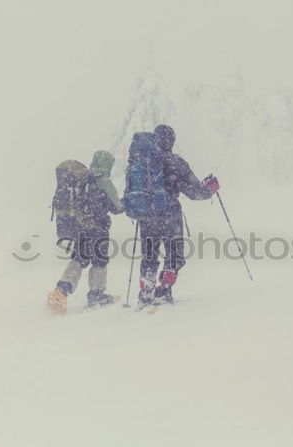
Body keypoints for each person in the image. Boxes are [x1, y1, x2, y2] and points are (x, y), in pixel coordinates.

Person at [138, 125, 220, 307]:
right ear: (171, 141)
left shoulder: (144, 162)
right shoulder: (176, 162)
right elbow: (195, 192)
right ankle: (164, 290)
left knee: (149, 256)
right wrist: (211, 188)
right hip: (170, 216)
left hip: (146, 217)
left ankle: (146, 291)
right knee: (175, 256)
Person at [47, 150, 124, 314]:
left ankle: (60, 291)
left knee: (79, 258)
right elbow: (117, 207)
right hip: (99, 229)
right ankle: (97, 294)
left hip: (81, 226)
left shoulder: (83, 179)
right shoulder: (103, 181)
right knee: (100, 261)